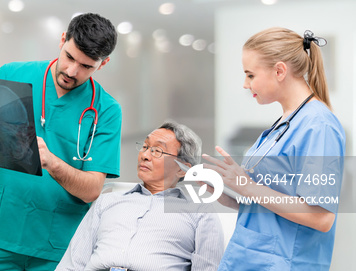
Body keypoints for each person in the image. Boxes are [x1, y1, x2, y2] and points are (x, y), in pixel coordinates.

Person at [0, 13, 122, 270]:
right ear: (63, 40)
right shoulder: (12, 75)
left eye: (86, 66)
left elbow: (91, 190)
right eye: (70, 57)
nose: (71, 71)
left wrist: (53, 164)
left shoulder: (106, 110)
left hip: (58, 245)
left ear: (104, 63)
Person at [202, 27, 345, 270]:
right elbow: (272, 204)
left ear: (279, 71)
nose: (246, 85)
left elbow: (321, 217)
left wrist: (247, 186)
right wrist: (227, 193)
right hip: (250, 257)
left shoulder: (318, 126)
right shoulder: (284, 122)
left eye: (250, 75)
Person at [56, 121, 224, 271]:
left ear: (182, 168)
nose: (144, 155)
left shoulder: (200, 213)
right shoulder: (107, 201)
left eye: (157, 151)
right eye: (144, 147)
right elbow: (73, 263)